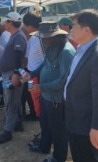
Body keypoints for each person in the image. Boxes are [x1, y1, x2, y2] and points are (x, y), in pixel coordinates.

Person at [28, 21, 75, 162]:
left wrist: (41, 87)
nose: (42, 40)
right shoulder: (50, 46)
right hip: (46, 95)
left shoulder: (66, 52)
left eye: (45, 37)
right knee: (45, 124)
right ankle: (44, 147)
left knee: (58, 130)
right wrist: (31, 74)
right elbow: (44, 64)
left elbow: (63, 81)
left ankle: (59, 157)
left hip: (56, 99)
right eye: (41, 37)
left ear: (55, 36)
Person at [64, 9, 98, 162]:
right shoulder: (81, 49)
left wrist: (95, 127)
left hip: (86, 125)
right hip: (75, 118)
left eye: (74, 25)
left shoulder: (96, 54)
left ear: (86, 29)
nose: (71, 29)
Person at [0, 12, 27, 144]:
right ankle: (18, 123)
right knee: (15, 100)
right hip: (10, 73)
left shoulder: (18, 37)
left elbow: (20, 57)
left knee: (10, 101)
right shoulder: (16, 35)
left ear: (10, 22)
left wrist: (15, 73)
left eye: (6, 21)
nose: (4, 24)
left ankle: (8, 131)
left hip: (12, 74)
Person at [22, 11, 44, 120]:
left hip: (36, 75)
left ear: (29, 26)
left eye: (25, 26)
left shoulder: (39, 38)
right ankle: (36, 115)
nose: (25, 28)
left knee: (37, 100)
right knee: (34, 99)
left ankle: (39, 118)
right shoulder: (34, 37)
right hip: (31, 74)